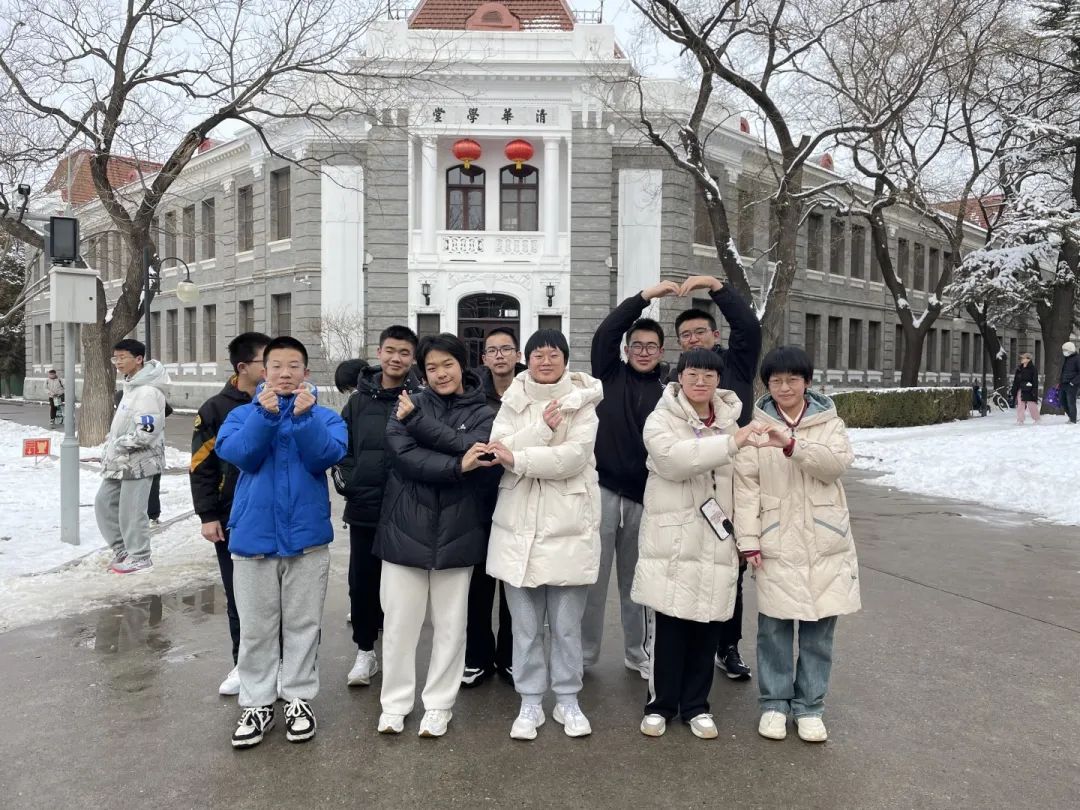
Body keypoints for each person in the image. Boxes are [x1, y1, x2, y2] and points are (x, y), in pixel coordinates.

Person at [216, 336, 347, 749]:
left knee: (303, 626)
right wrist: (265, 415)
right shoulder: (242, 415)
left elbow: (325, 457)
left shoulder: (325, 417)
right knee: (256, 629)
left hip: (307, 541)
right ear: (264, 371)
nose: (285, 373)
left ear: (306, 372)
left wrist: (304, 420)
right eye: (277, 366)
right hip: (252, 540)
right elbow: (241, 455)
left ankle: (298, 698)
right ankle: (257, 703)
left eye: (294, 366)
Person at [373, 333, 499, 738]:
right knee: (399, 626)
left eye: (448, 364)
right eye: (431, 367)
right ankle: (394, 704)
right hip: (404, 528)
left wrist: (420, 426)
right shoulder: (407, 404)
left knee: (451, 625)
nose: (440, 373)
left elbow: (477, 449)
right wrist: (456, 466)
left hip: (459, 530)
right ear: (422, 373)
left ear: (462, 365)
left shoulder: (484, 412)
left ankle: (439, 705)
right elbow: (404, 457)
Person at [734, 346, 860, 744]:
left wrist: (791, 445)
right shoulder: (755, 428)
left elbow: (835, 466)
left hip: (824, 538)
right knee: (773, 628)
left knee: (819, 630)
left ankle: (810, 706)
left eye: (792, 380)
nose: (784, 387)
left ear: (807, 382)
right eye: (776, 381)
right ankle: (774, 703)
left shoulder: (829, 424)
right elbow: (746, 488)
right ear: (766, 385)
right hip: (776, 538)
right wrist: (748, 540)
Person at [634, 349, 761, 740]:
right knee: (670, 628)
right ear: (680, 377)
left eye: (709, 375)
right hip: (673, 539)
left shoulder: (731, 423)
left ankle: (696, 706)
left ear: (719, 380)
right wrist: (730, 443)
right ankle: (660, 705)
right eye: (693, 374)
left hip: (718, 540)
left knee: (708, 628)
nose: (701, 381)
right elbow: (674, 460)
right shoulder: (661, 419)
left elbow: (744, 486)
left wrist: (746, 538)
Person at [485, 329, 604, 740]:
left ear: (566, 360)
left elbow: (573, 457)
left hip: (569, 525)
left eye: (554, 354)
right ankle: (531, 701)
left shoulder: (582, 402)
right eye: (538, 355)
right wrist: (538, 431)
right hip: (518, 527)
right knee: (525, 627)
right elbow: (496, 447)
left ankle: (568, 699)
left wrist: (518, 457)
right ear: (527, 359)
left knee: (567, 627)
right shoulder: (513, 398)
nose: (546, 361)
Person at [583, 281, 682, 679]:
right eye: (636, 345)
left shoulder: (670, 391)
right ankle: (582, 655)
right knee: (591, 579)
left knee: (638, 583)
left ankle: (638, 653)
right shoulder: (608, 375)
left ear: (661, 352)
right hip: (602, 492)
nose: (643, 352)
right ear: (626, 349)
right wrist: (645, 298)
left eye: (651, 346)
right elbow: (606, 331)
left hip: (646, 497)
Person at [670, 275, 762, 681]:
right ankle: (687, 647)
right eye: (685, 335)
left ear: (715, 335)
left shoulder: (734, 366)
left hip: (730, 481)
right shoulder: (674, 382)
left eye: (699, 332)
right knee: (686, 565)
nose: (693, 340)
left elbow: (749, 327)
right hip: (688, 483)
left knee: (729, 570)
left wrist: (715, 286)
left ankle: (728, 646)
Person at [335, 326, 422, 688]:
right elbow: (342, 448)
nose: (396, 358)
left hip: (407, 509)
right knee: (363, 582)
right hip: (365, 507)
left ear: (413, 358)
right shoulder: (358, 402)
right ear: (379, 352)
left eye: (404, 352)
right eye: (390, 350)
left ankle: (400, 654)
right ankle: (365, 651)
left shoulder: (422, 399)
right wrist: (350, 483)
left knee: (403, 587)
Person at [189, 331, 271, 696]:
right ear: (243, 367)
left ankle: (280, 663)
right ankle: (244, 662)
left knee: (277, 598)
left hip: (274, 517)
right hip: (231, 517)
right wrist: (208, 515)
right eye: (266, 362)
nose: (275, 368)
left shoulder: (285, 402)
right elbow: (201, 467)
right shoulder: (216, 410)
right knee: (239, 596)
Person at [463, 326, 524, 687]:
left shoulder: (530, 392)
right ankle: (477, 656)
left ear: (518, 355)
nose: (500, 355)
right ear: (484, 358)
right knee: (479, 583)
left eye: (506, 348)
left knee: (515, 582)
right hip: (479, 499)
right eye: (493, 350)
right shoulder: (472, 396)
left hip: (519, 495)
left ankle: (511, 656)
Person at [94, 339, 170, 575]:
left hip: (140, 461)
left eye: (122, 357)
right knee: (104, 503)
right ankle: (123, 550)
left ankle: (139, 556)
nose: (117, 362)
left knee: (132, 511)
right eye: (115, 358)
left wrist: (119, 444)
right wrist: (112, 442)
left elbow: (146, 433)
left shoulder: (147, 391)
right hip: (121, 460)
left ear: (138, 359)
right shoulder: (131, 386)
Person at [1011, 353, 1040, 425]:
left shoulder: (1033, 369)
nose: (1021, 359)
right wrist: (1014, 389)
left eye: (1023, 358)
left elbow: (1035, 381)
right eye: (1021, 358)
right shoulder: (1019, 369)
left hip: (1029, 389)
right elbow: (1016, 380)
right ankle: (1020, 420)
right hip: (1020, 388)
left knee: (1031, 404)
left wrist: (1034, 390)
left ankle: (1037, 419)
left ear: (1028, 359)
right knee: (1020, 405)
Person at [1061, 341, 1079, 424]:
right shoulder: (1066, 358)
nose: (1064, 352)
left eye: (1065, 350)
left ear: (1070, 350)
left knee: (1070, 402)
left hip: (1072, 384)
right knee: (1062, 400)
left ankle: (1073, 419)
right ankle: (1071, 416)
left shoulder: (1077, 358)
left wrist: (1073, 382)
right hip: (1064, 383)